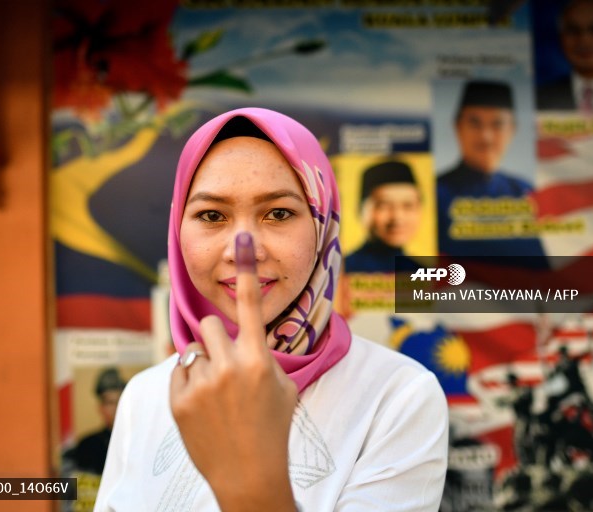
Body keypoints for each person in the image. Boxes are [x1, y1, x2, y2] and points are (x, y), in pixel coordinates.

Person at [94, 108, 448, 511]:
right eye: (212, 215)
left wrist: (254, 485)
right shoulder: (145, 395)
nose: (244, 251)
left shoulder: (396, 397)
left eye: (278, 213)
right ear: (177, 230)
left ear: (322, 224)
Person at [436, 80, 545, 258]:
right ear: (458, 127)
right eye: (475, 124)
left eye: (497, 125)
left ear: (512, 130)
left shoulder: (526, 193)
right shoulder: (434, 194)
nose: (486, 137)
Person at [344, 160, 423, 273]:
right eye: (384, 205)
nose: (397, 218)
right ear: (360, 210)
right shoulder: (343, 270)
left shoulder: (421, 272)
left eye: (408, 206)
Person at [65, 368, 126, 476]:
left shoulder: (139, 441)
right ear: (101, 407)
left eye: (120, 402)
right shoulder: (87, 446)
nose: (116, 408)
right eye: (110, 403)